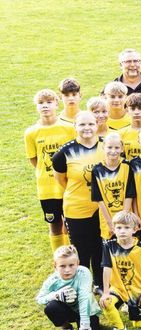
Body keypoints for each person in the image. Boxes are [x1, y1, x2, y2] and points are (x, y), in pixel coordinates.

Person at [52, 112, 104, 279]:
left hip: (103, 208)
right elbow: (61, 180)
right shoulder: (64, 153)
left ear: (97, 125)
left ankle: (99, 281)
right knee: (81, 248)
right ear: (75, 127)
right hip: (76, 207)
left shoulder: (107, 147)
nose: (87, 128)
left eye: (90, 124)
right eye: (82, 124)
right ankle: (82, 283)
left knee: (100, 246)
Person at [27, 89, 76, 250]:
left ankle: (71, 255)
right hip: (46, 188)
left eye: (49, 102)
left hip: (68, 185)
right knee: (54, 223)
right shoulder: (31, 132)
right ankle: (59, 257)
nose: (45, 106)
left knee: (69, 222)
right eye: (41, 103)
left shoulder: (68, 128)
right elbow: (34, 159)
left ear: (56, 104)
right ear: (36, 106)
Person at [37, 246, 101, 330]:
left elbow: (84, 299)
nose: (67, 270)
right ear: (55, 266)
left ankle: (84, 326)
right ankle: (66, 328)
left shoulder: (83, 273)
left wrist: (85, 327)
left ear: (78, 263)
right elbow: (39, 299)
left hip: (87, 310)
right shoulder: (52, 280)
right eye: (62, 266)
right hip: (67, 310)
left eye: (71, 265)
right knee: (51, 307)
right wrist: (56, 295)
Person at [99, 210, 141, 330]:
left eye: (126, 228)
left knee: (139, 324)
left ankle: (128, 305)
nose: (122, 231)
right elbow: (107, 268)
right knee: (107, 302)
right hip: (118, 288)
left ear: (135, 229)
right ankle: (119, 328)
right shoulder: (109, 246)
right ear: (114, 229)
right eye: (119, 227)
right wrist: (105, 292)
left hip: (136, 290)